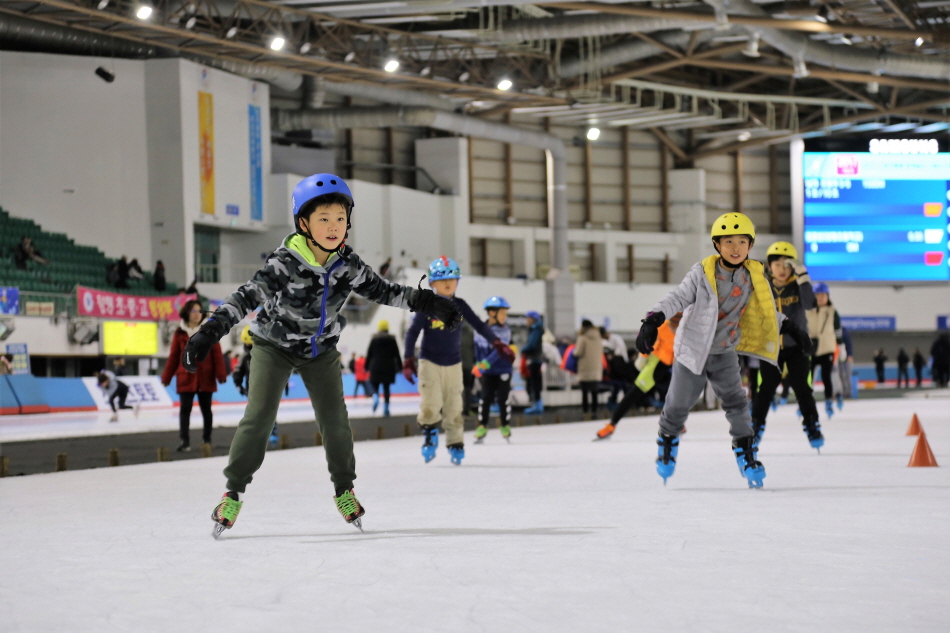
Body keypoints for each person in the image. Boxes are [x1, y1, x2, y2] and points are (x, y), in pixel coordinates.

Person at [180, 174, 461, 537]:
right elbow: (247, 296)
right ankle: (232, 493)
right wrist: (209, 331)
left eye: (340, 219)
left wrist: (427, 301)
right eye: (324, 218)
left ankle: (345, 490)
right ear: (304, 224)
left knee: (335, 422)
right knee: (260, 417)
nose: (333, 227)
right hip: (273, 346)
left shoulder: (349, 264)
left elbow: (385, 291)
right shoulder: (285, 262)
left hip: (320, 349)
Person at [636, 213, 812, 488]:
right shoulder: (702, 273)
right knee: (678, 405)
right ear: (717, 245)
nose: (735, 247)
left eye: (742, 241)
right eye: (728, 241)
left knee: (737, 403)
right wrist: (653, 319)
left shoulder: (753, 276)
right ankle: (667, 442)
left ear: (750, 246)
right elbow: (678, 297)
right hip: (693, 351)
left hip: (724, 351)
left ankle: (746, 453)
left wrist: (789, 327)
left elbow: (761, 312)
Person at [403, 256, 513, 466]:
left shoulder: (460, 306)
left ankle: (455, 442)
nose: (448, 283)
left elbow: (480, 326)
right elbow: (412, 332)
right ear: (432, 283)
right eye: (442, 280)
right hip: (429, 362)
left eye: (452, 279)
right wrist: (408, 357)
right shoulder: (427, 306)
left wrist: (497, 343)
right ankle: (429, 434)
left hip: (453, 363)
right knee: (431, 402)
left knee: (454, 405)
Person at [750, 240, 822, 451]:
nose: (782, 269)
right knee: (765, 390)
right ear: (769, 266)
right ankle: (755, 428)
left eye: (787, 264)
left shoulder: (798, 287)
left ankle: (811, 425)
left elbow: (810, 304)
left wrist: (804, 277)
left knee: (802, 389)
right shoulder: (763, 288)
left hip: (796, 347)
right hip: (770, 348)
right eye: (777, 264)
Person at [596, 313, 680, 440]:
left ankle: (678, 424)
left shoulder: (684, 331)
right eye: (674, 321)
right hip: (655, 366)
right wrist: (643, 357)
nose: (675, 324)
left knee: (674, 397)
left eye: (678, 321)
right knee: (633, 394)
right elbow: (648, 341)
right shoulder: (662, 327)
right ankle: (612, 424)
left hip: (669, 368)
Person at [161, 299, 227, 452]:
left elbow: (216, 354)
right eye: (193, 311)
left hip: (206, 377)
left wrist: (221, 374)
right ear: (187, 313)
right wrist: (167, 376)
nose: (197, 314)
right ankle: (184, 441)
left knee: (206, 410)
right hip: (186, 377)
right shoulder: (179, 333)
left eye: (199, 311)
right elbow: (174, 356)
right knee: (185, 410)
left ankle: (207, 439)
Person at [472, 296, 515, 443]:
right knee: (485, 398)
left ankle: (505, 425)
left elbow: (499, 350)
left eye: (505, 313)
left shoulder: (505, 331)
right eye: (502, 313)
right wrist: (478, 365)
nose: (505, 317)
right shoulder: (479, 330)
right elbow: (477, 349)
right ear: (491, 313)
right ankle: (482, 426)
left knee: (503, 399)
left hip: (503, 369)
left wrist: (483, 365)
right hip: (487, 372)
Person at [806, 282, 843, 418]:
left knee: (827, 377)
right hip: (811, 349)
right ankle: (805, 402)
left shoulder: (833, 312)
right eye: (817, 295)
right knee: (808, 378)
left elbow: (838, 331)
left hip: (827, 348)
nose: (820, 298)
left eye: (823, 295)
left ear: (828, 296)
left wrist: (842, 346)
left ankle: (828, 401)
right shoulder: (808, 310)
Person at [365, 320, 402, 417]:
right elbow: (397, 355)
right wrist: (401, 367)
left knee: (375, 386)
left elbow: (369, 354)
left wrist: (366, 367)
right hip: (389, 367)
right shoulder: (392, 340)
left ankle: (376, 396)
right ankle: (386, 407)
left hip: (376, 367)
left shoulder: (374, 340)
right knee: (386, 388)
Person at [575, 319, 605, 418]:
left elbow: (578, 352)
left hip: (585, 367)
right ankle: (594, 412)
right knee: (594, 392)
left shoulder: (582, 337)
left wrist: (572, 353)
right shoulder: (598, 337)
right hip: (596, 367)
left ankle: (585, 413)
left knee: (585, 392)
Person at [521, 310, 545, 414]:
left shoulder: (535, 330)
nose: (526, 321)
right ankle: (537, 404)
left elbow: (532, 344)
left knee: (534, 383)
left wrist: (523, 350)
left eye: (528, 318)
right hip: (536, 359)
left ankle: (537, 405)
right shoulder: (535, 329)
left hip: (534, 360)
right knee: (535, 383)